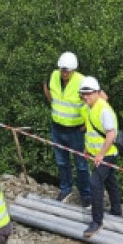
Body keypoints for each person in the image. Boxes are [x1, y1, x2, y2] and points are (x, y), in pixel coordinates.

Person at [42, 51, 91, 205]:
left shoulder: (82, 81)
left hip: (76, 130)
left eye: (67, 71)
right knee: (62, 162)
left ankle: (86, 195)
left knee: (81, 165)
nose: (64, 73)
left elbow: (100, 100)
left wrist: (88, 123)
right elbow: (46, 85)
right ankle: (66, 189)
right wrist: (52, 103)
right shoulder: (54, 76)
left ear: (73, 70)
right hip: (57, 127)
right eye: (63, 70)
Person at [79, 77, 122, 238]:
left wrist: (101, 155)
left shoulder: (103, 109)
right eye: (83, 94)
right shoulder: (88, 108)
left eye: (88, 93)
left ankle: (97, 220)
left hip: (107, 155)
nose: (85, 96)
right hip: (99, 153)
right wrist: (87, 149)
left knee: (95, 183)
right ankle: (116, 211)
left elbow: (111, 134)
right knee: (110, 182)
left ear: (97, 92)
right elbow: (91, 130)